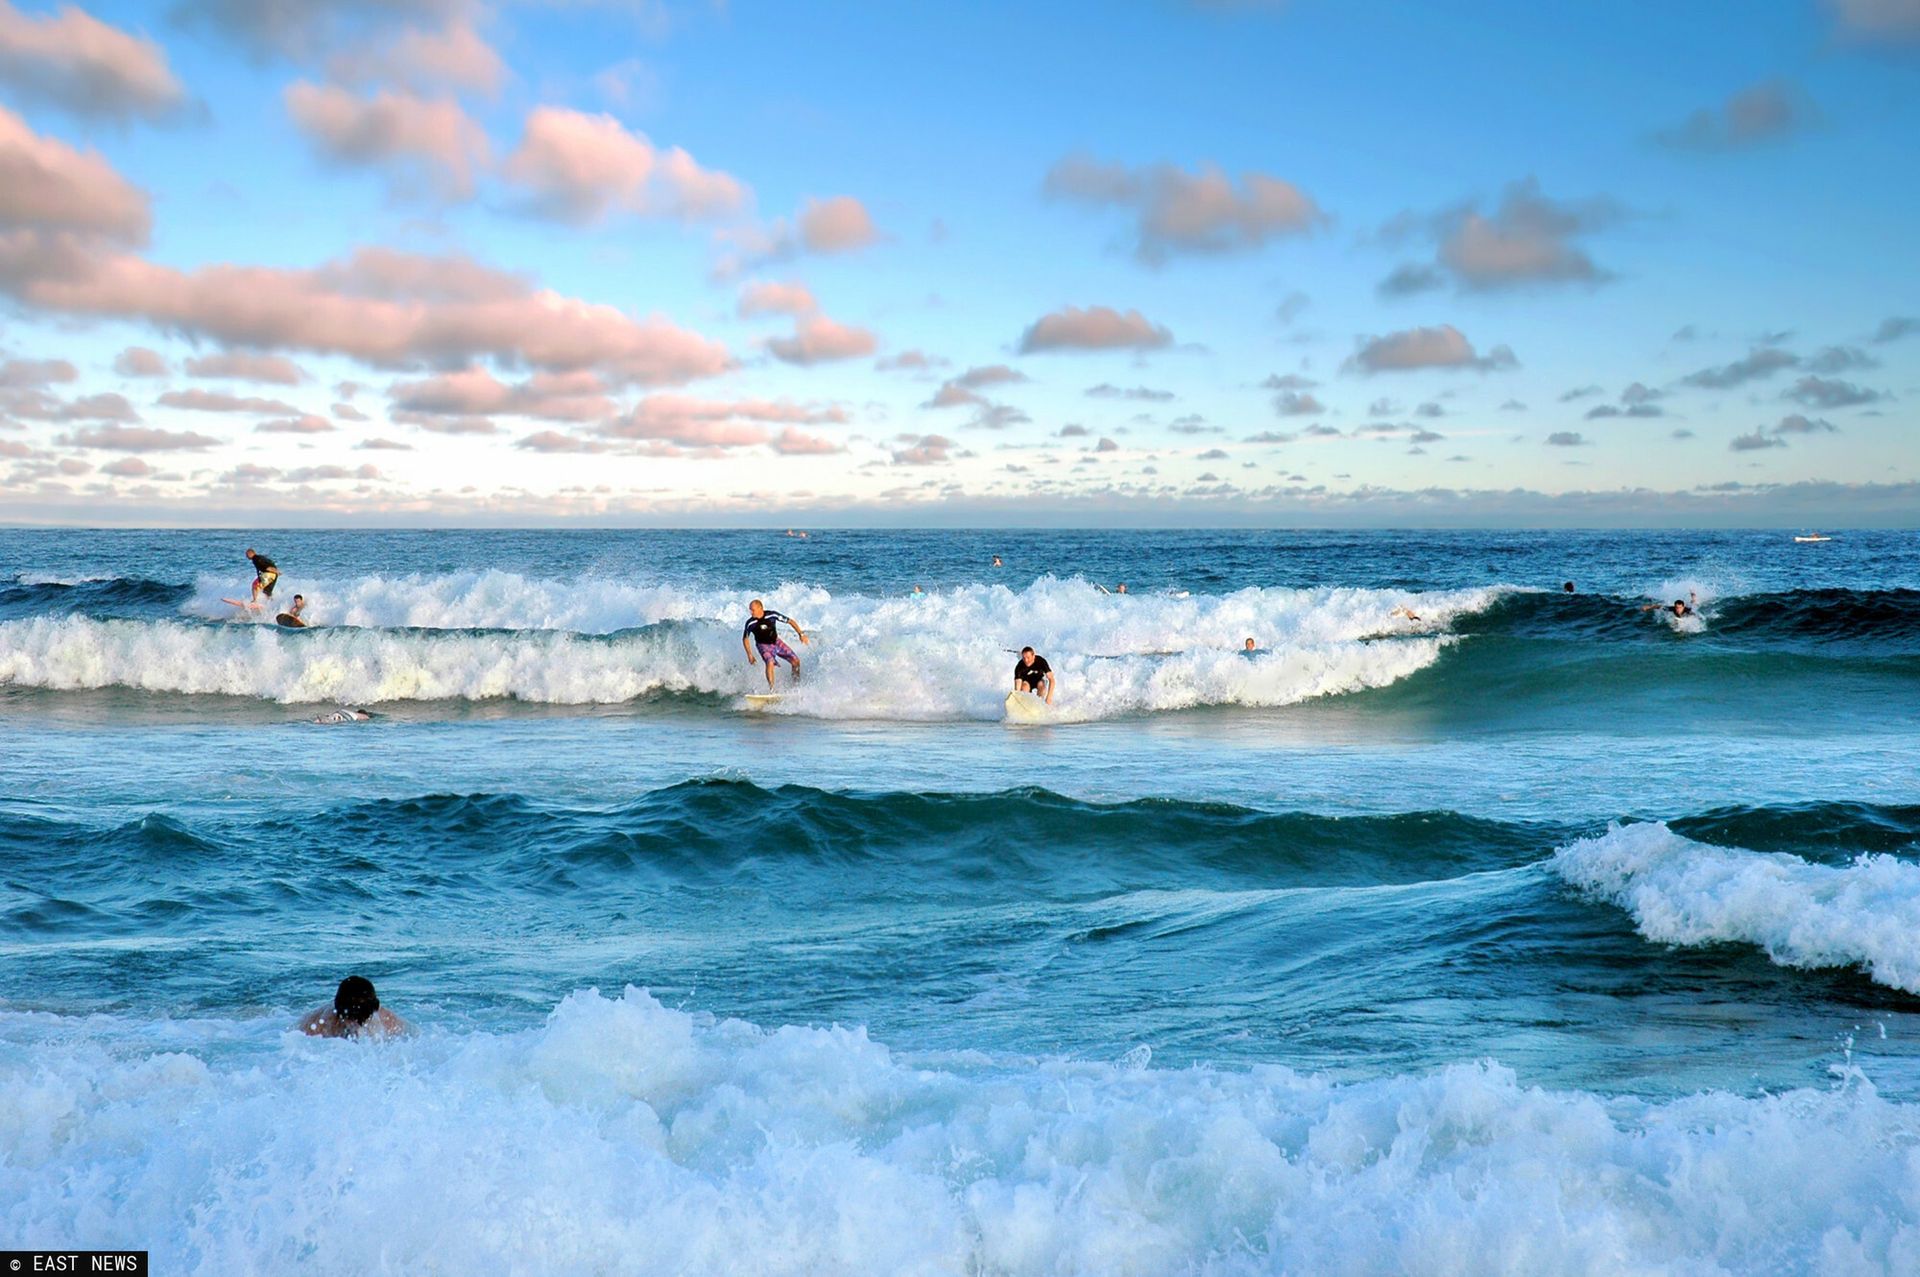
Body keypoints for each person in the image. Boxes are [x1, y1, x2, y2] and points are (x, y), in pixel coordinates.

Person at [299, 975, 407, 1038]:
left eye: (362, 1021)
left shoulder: (389, 1021)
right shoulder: (317, 1024)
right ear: (338, 1011)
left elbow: (414, 1035)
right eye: (350, 1019)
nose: (355, 1025)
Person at [742, 599, 809, 688]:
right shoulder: (750, 623)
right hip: (763, 645)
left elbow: (790, 621)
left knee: (795, 661)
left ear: (760, 608)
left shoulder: (772, 615)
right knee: (770, 662)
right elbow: (745, 638)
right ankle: (772, 690)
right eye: (750, 610)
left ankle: (796, 686)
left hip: (776, 642)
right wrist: (749, 655)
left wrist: (801, 634)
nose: (751, 612)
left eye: (752, 610)